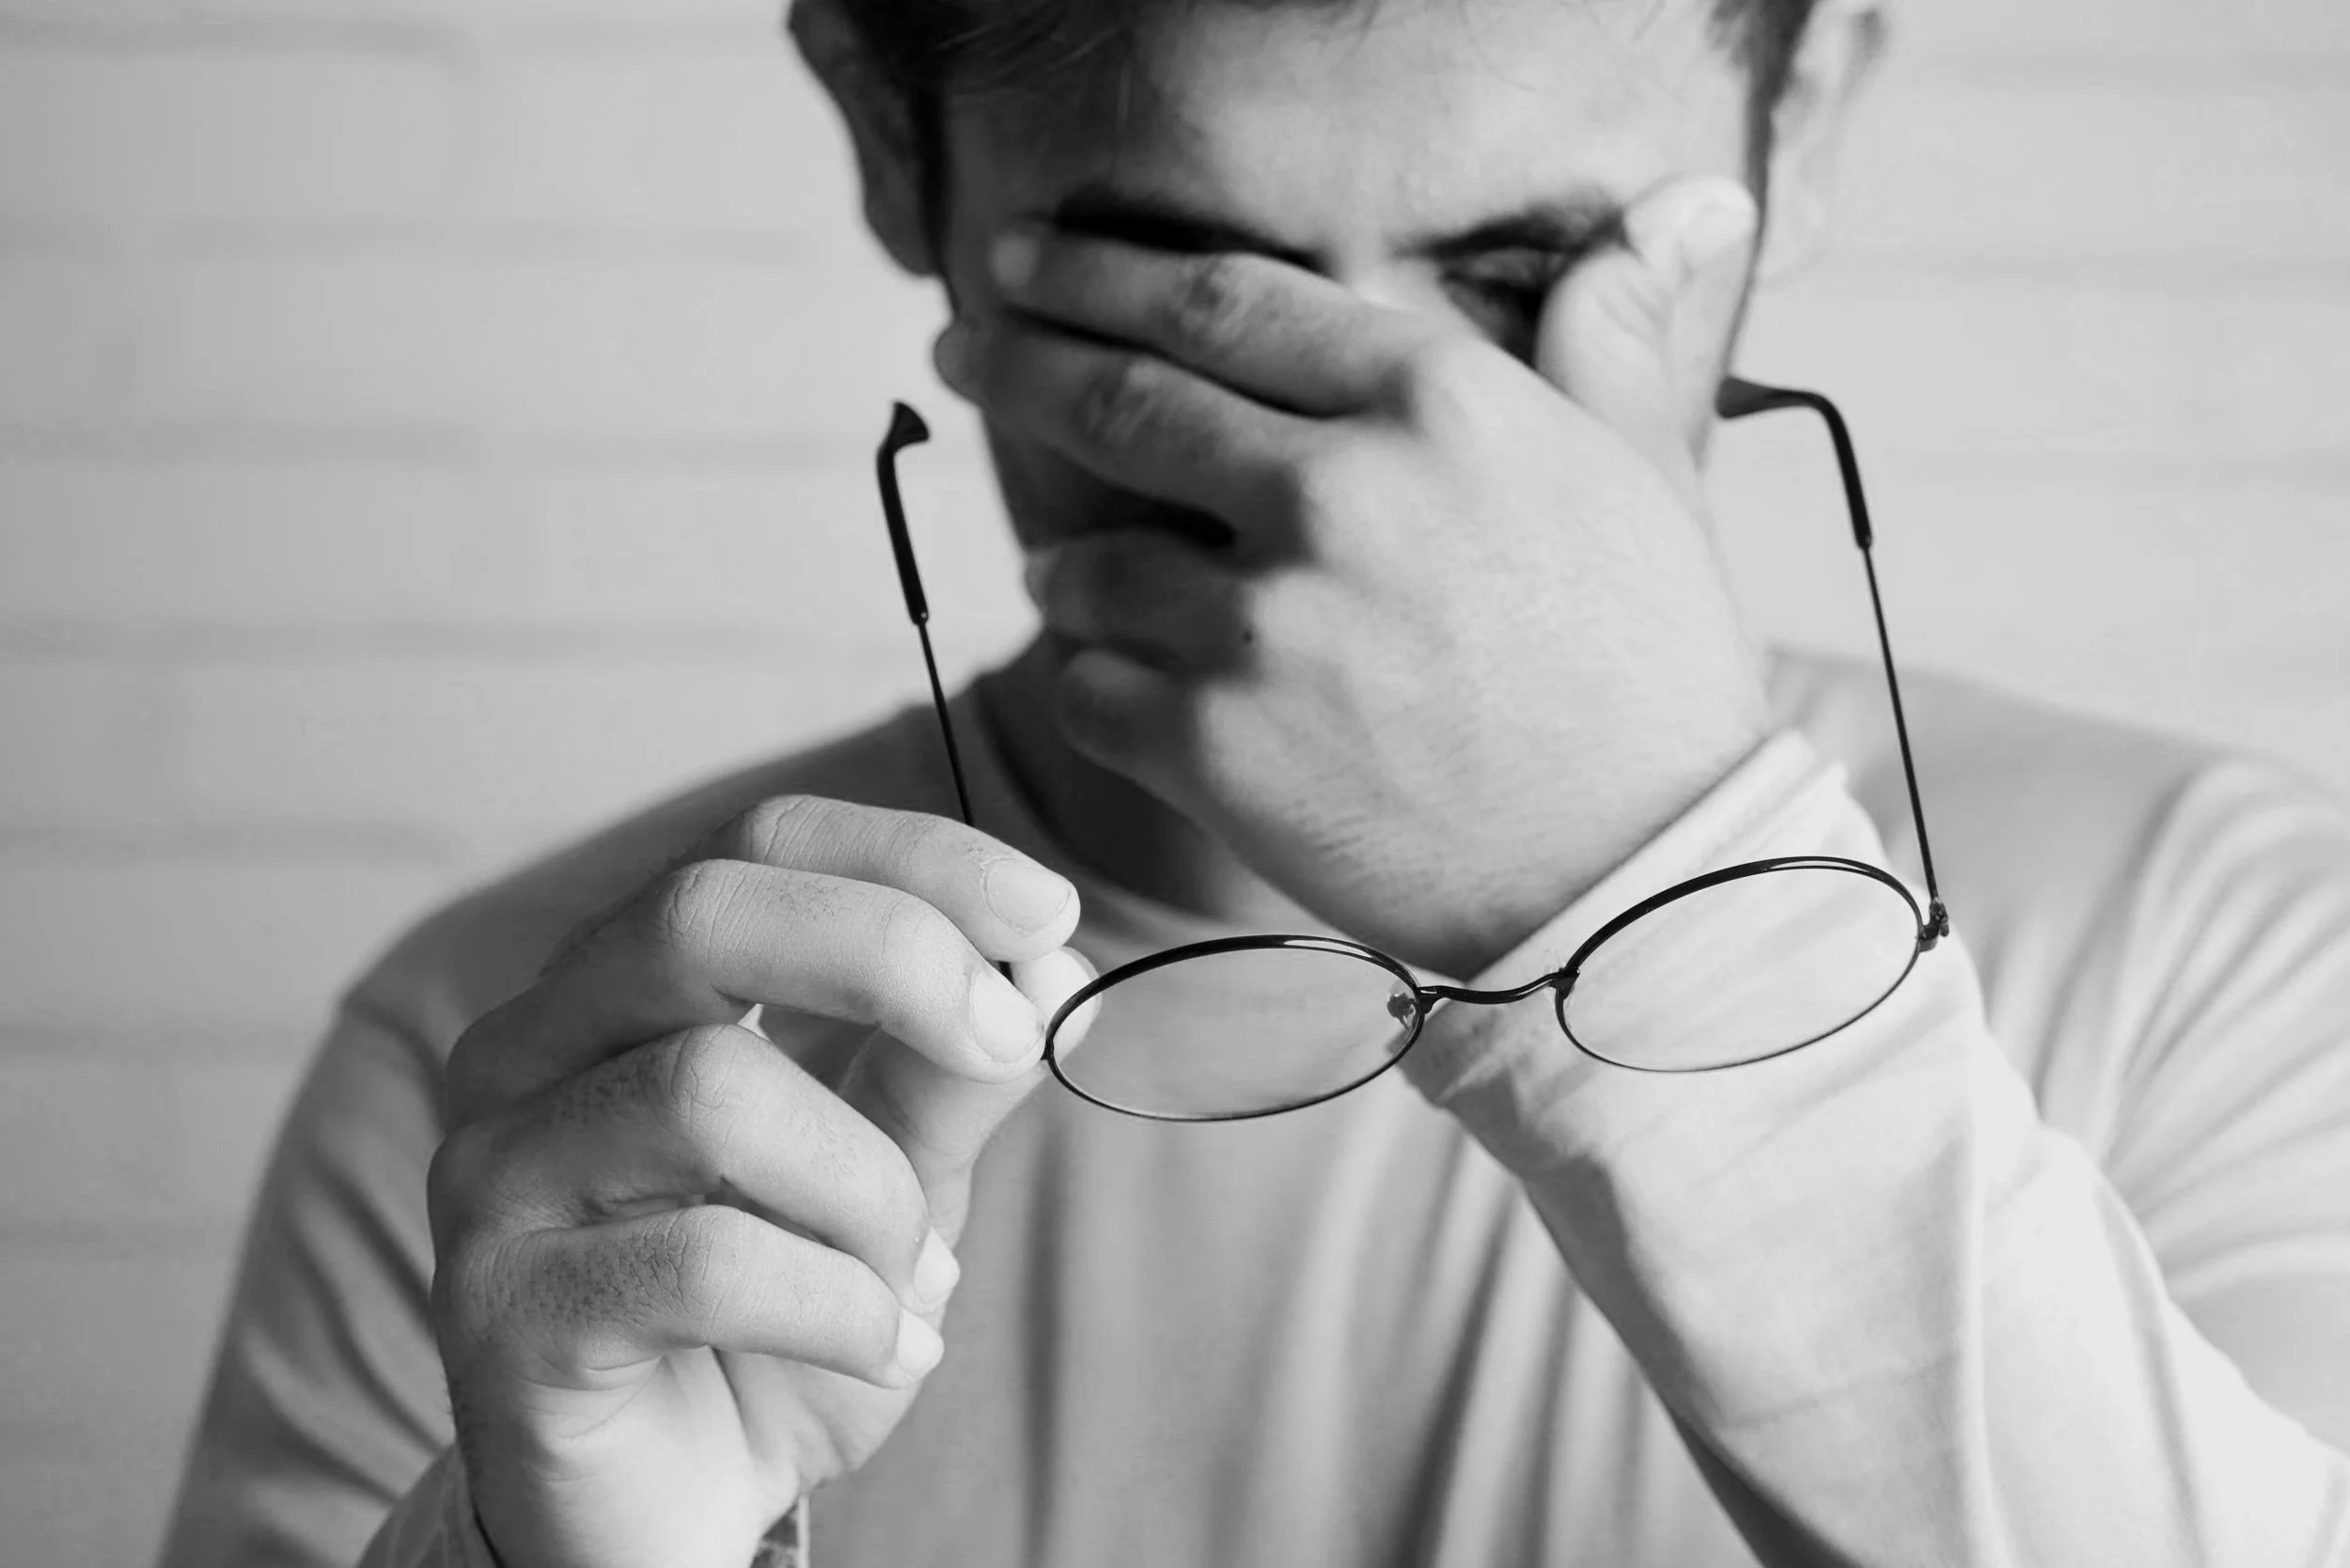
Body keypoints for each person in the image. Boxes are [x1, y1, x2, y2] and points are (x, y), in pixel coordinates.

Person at [156, 0, 2350, 1562]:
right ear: (880, 132)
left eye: (1520, 279)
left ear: (1813, 105)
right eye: (1181, 300)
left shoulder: (2224, 944)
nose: (1380, 455)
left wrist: (1638, 871)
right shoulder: (557, 1087)